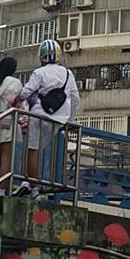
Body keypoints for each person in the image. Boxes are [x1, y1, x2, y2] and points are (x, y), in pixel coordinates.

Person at [16, 39, 80, 197]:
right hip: (58, 120)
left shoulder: (39, 73)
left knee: (33, 150)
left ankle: (33, 188)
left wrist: (18, 100)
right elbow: (75, 98)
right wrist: (69, 120)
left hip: (38, 114)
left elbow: (25, 92)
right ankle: (27, 183)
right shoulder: (67, 73)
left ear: (41, 56)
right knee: (41, 148)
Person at [0, 56, 23, 193]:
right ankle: (0, 190)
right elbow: (21, 100)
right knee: (6, 156)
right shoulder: (15, 82)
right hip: (8, 118)